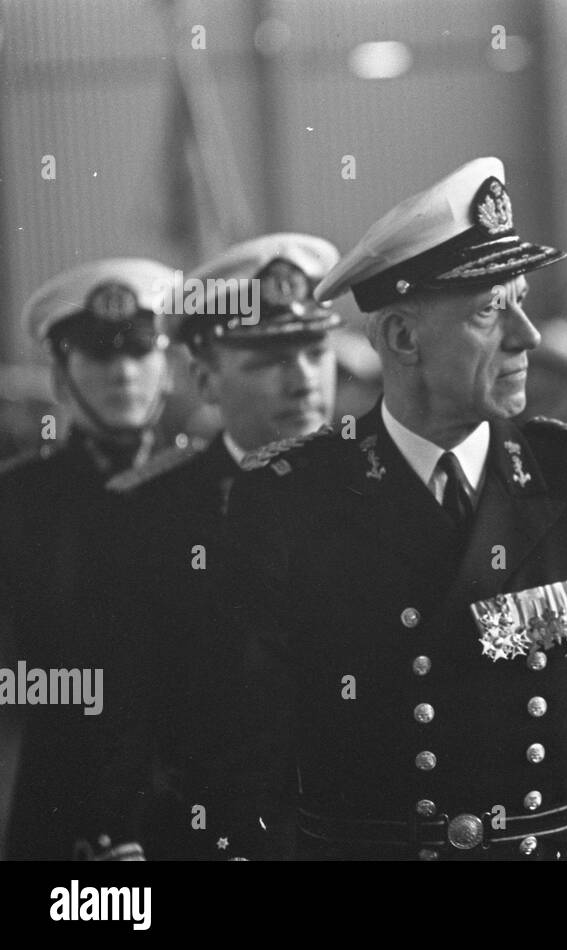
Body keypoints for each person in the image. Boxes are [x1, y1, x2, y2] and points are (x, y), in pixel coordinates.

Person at [213, 156, 567, 860]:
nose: (528, 335)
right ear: (401, 337)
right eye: (490, 310)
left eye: (521, 300)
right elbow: (253, 767)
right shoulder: (288, 500)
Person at [107, 234, 343, 859]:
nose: (302, 381)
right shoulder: (147, 516)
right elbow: (121, 715)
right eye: (269, 360)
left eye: (316, 350)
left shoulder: (383, 485)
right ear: (207, 380)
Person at [0, 258, 177, 860]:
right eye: (100, 357)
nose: (124, 373)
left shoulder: (213, 488)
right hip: (58, 807)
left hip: (184, 809)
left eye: (139, 352)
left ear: (168, 365)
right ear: (60, 376)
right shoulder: (16, 501)